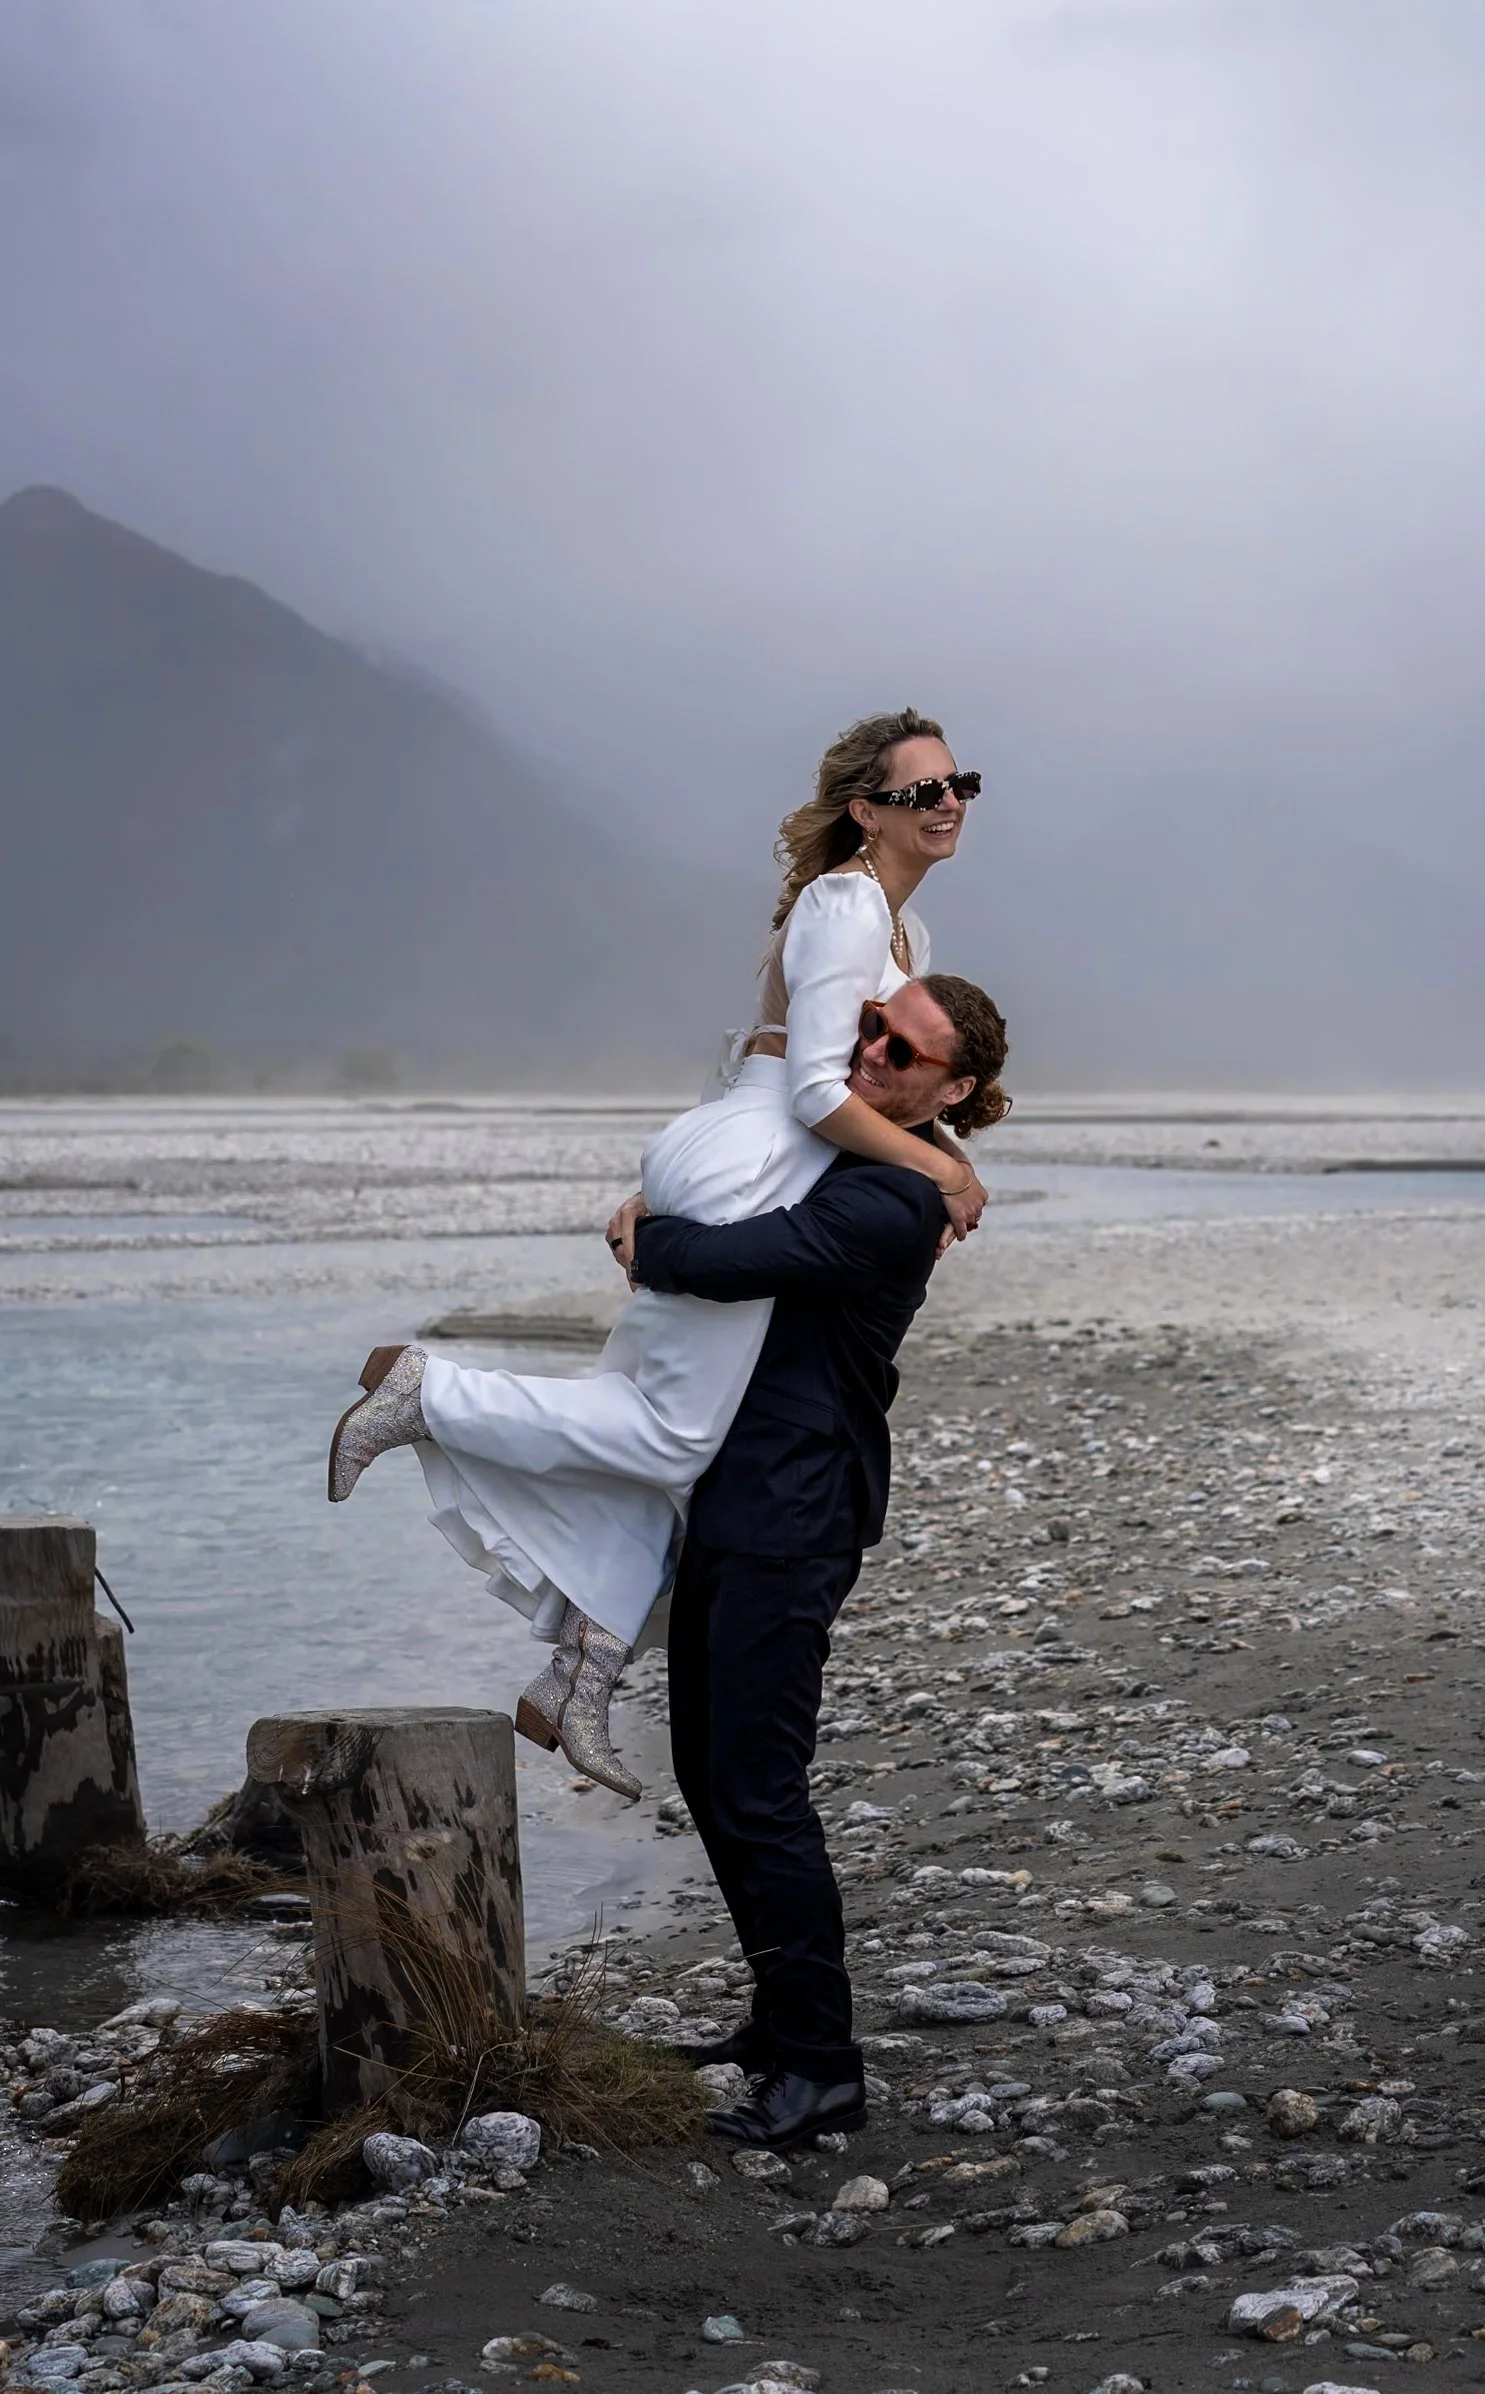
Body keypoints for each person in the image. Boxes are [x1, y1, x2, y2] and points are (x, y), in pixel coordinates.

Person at [326, 709, 989, 1802]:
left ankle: (583, 1670)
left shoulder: (901, 936)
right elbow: (820, 1089)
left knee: (693, 1443)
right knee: (674, 1430)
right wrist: (941, 1174)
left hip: (757, 1144)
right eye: (922, 790)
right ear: (867, 812)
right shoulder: (844, 904)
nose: (949, 801)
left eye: (960, 781)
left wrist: (947, 1153)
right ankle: (427, 1392)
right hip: (766, 1150)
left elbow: (820, 1076)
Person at [613, 972, 1011, 2151]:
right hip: (740, 1500)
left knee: (757, 1788)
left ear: (957, 1088)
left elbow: (728, 1262)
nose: (879, 1053)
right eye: (875, 1029)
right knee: (709, 1771)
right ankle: (780, 2025)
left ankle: (824, 2068)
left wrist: (647, 1229)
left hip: (794, 1509)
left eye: (910, 1051)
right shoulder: (859, 1151)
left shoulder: (895, 1195)